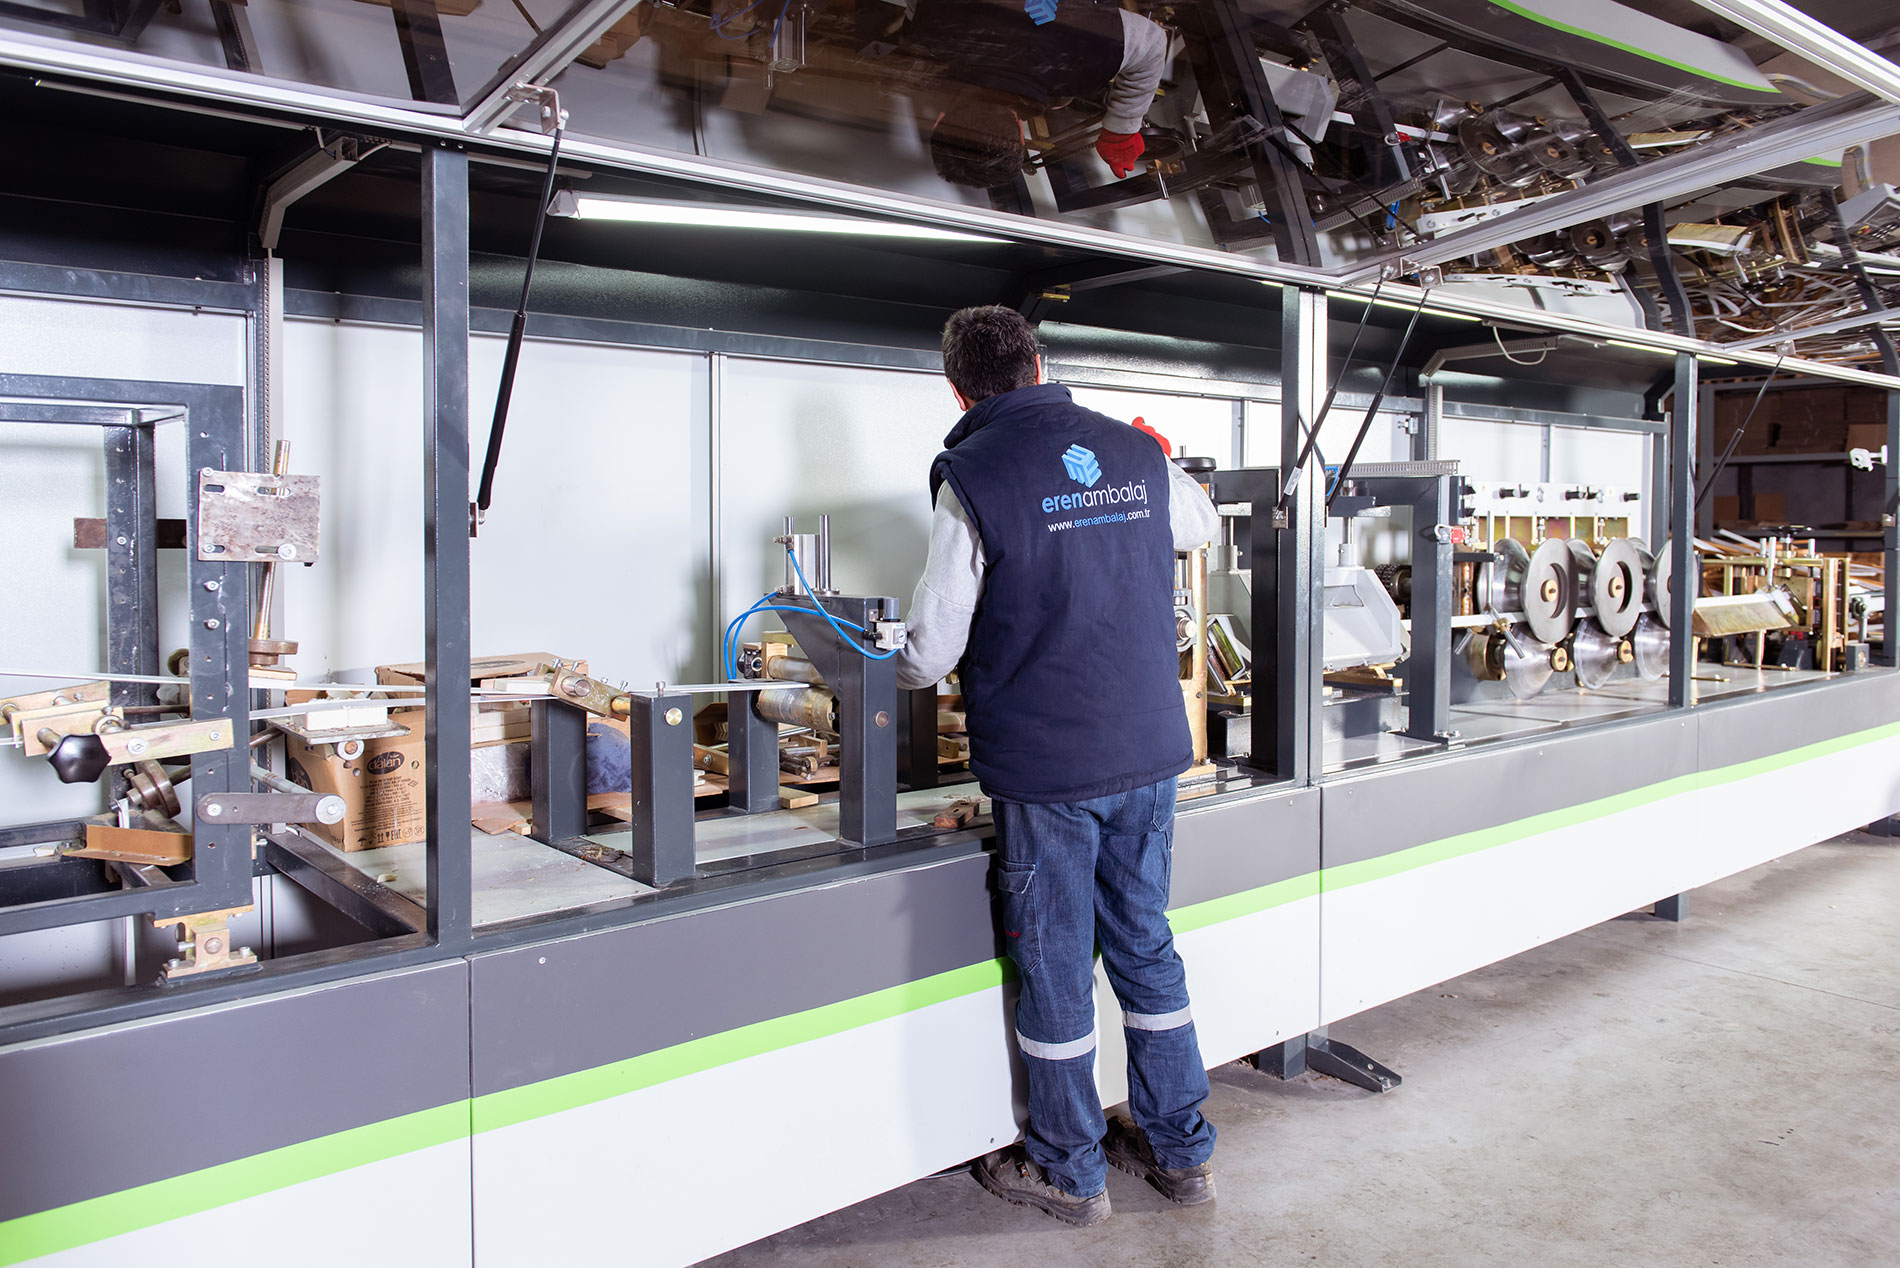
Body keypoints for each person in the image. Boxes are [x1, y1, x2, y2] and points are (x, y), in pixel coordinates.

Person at [896, 305, 1220, 1226]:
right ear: (1040, 365)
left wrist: (880, 666)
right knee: (1145, 945)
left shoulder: (971, 478)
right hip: (1149, 753)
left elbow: (929, 652)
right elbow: (1198, 527)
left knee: (1055, 963)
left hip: (1049, 771)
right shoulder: (1134, 452)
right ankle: (1181, 1150)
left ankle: (1071, 1170)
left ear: (957, 391)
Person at [910, 0, 1169, 188]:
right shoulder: (933, 27)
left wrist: (1120, 128)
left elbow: (1153, 43)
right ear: (938, 120)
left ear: (1021, 136)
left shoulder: (1085, 64)